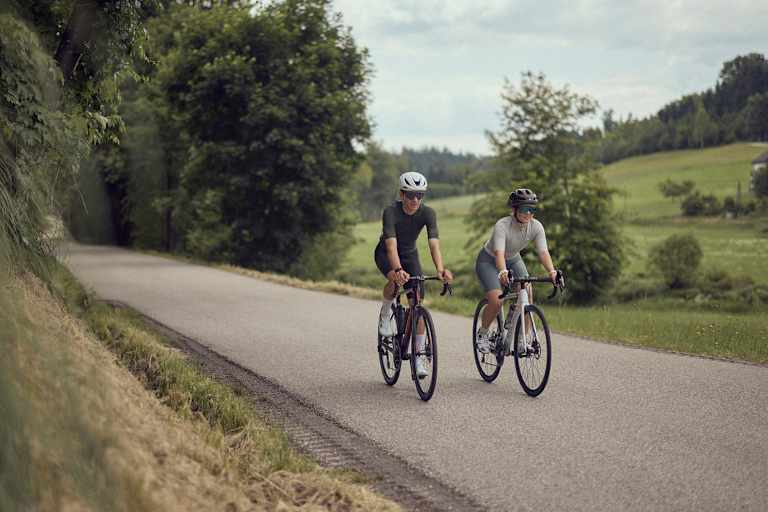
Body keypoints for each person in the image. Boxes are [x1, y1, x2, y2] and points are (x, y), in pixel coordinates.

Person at [374, 171, 454, 378]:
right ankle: (385, 313)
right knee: (394, 278)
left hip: (410, 255)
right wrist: (398, 271)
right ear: (402, 194)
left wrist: (440, 269)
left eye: (420, 195)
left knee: (417, 304)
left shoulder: (428, 213)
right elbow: (391, 247)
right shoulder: (390, 212)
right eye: (411, 195)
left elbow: (433, 244)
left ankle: (418, 358)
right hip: (386, 253)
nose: (415, 200)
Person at [474, 188, 558, 354]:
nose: (528, 213)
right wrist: (503, 272)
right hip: (489, 260)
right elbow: (499, 253)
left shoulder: (536, 226)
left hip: (513, 258)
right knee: (497, 300)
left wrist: (552, 272)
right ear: (514, 210)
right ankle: (482, 334)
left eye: (532, 209)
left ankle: (522, 340)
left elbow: (543, 252)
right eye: (524, 209)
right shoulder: (502, 225)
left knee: (527, 292)